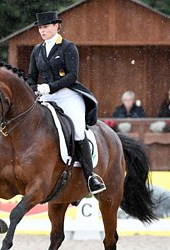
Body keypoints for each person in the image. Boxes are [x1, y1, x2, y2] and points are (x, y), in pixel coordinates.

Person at [27, 11, 105, 194]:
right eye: (40, 27)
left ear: (56, 26)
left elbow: (72, 76)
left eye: (45, 27)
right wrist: (34, 88)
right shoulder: (37, 50)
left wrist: (50, 87)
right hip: (45, 95)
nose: (42, 30)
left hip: (67, 95)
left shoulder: (68, 47)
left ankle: (90, 176)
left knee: (77, 130)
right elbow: (31, 76)